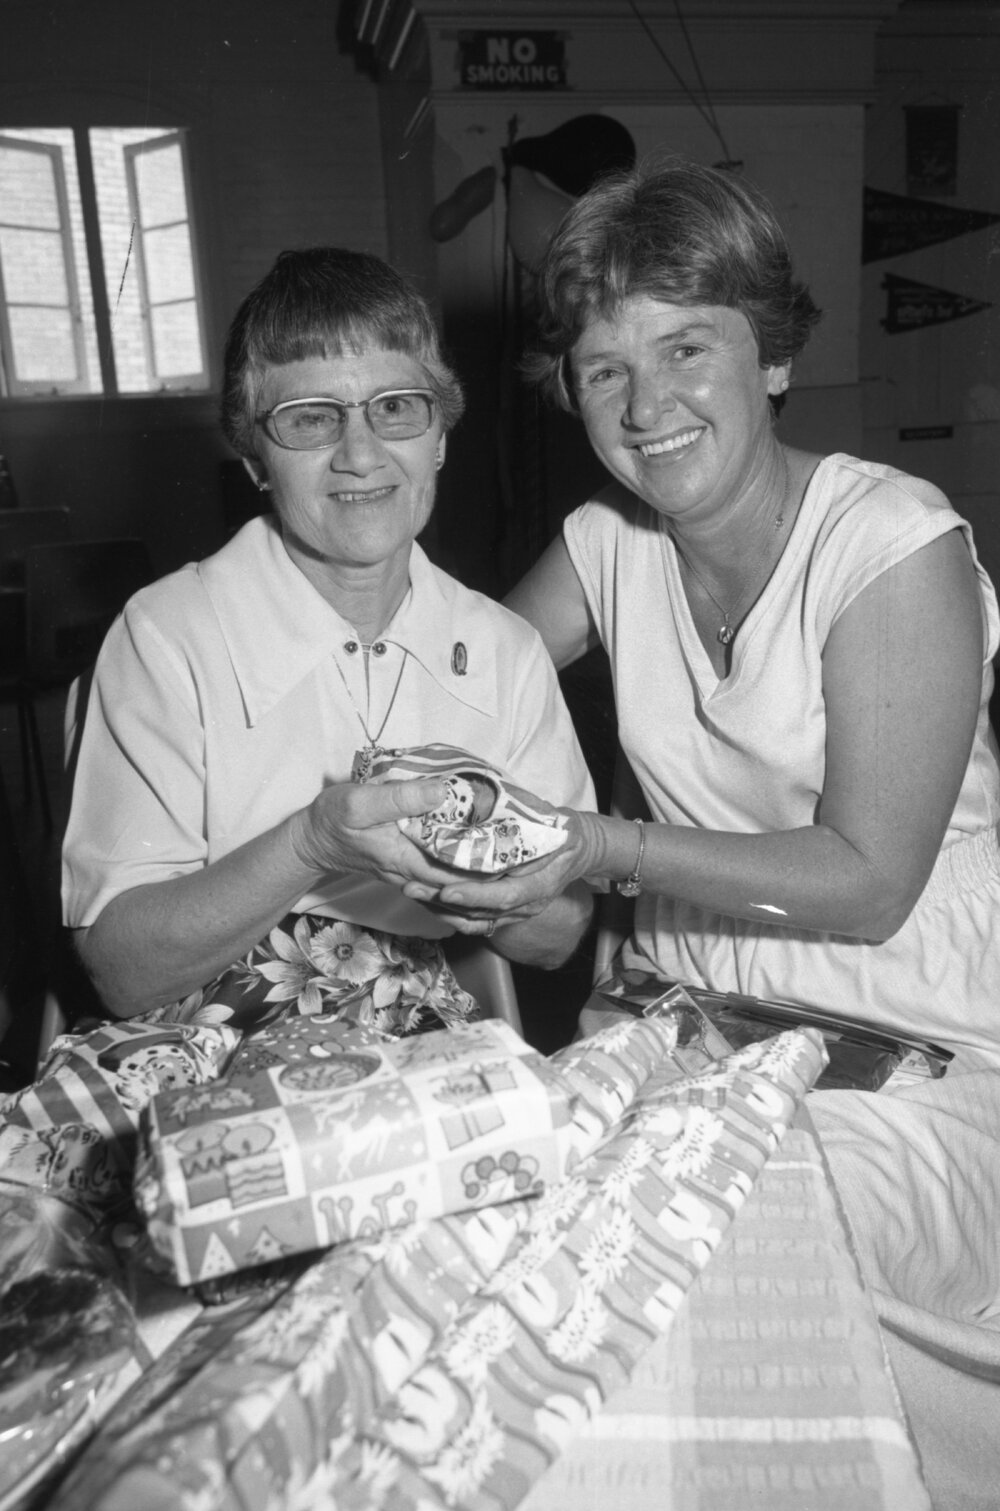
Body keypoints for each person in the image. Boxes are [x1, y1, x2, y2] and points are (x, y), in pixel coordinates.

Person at [421, 158, 1000, 1500]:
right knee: (498, 1248)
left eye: (687, 346)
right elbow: (457, 687)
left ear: (775, 357)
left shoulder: (891, 541)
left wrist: (598, 846)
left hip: (931, 1048)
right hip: (682, 1026)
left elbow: (865, 882)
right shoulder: (605, 540)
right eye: (604, 367)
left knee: (697, 1255)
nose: (646, 404)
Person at [61, 247, 594, 1038]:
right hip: (201, 1041)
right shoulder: (166, 637)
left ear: (440, 437)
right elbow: (121, 971)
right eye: (311, 418)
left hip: (427, 1046)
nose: (361, 453)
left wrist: (476, 886)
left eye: (396, 407)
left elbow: (561, 933)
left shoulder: (505, 648)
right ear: (255, 458)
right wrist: (313, 844)